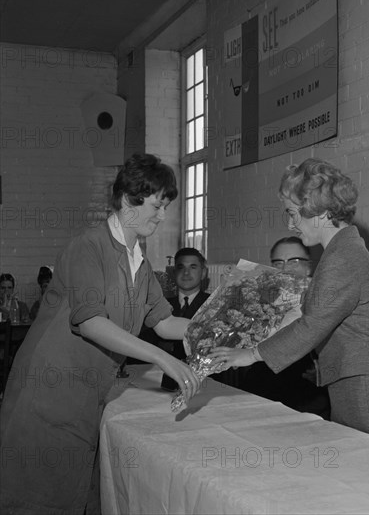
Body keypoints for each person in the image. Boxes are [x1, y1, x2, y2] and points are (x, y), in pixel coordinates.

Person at [0, 154, 200, 515]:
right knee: (39, 497)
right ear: (128, 201)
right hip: (49, 391)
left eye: (165, 207)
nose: (161, 215)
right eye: (157, 206)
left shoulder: (139, 259)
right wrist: (162, 357)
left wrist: (217, 327)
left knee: (78, 493)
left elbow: (164, 321)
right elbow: (91, 322)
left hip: (88, 392)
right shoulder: (88, 247)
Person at [210, 158, 369, 449]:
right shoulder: (342, 251)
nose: (290, 223)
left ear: (318, 213)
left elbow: (312, 324)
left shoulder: (343, 257)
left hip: (368, 387)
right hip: (356, 382)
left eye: (293, 214)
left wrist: (251, 354)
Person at [239, 236, 331, 419]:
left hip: (306, 387)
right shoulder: (259, 296)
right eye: (279, 262)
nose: (286, 268)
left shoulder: (323, 298)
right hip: (263, 379)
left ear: (309, 266)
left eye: (294, 261)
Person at [161, 247, 211, 390]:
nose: (186, 272)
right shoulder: (161, 305)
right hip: (165, 379)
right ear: (174, 272)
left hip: (204, 382)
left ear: (203, 273)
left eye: (193, 267)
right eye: (180, 267)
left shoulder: (214, 305)